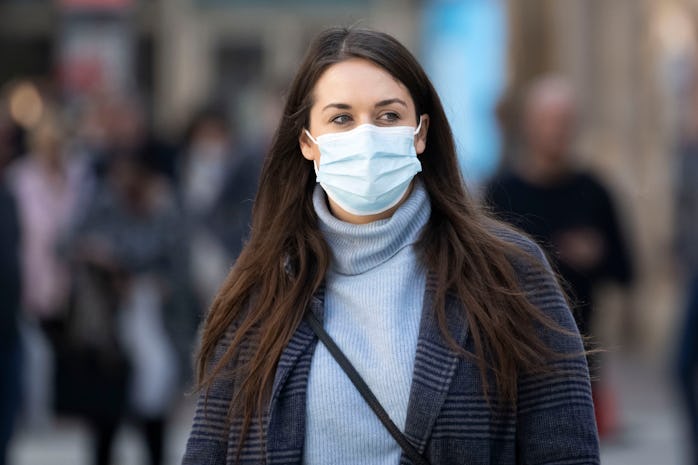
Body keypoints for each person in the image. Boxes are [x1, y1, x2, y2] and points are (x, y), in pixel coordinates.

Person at [182, 27, 599, 465]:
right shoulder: (262, 286)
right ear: (308, 143)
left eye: (387, 116)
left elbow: (565, 451)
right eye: (341, 119)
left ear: (420, 133)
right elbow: (208, 449)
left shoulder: (508, 274)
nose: (366, 137)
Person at [485, 76, 634, 438]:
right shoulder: (502, 192)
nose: (557, 131)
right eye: (549, 120)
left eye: (565, 121)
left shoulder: (595, 191)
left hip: (582, 360)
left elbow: (627, 271)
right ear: (529, 125)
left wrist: (596, 254)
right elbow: (484, 277)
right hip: (517, 358)